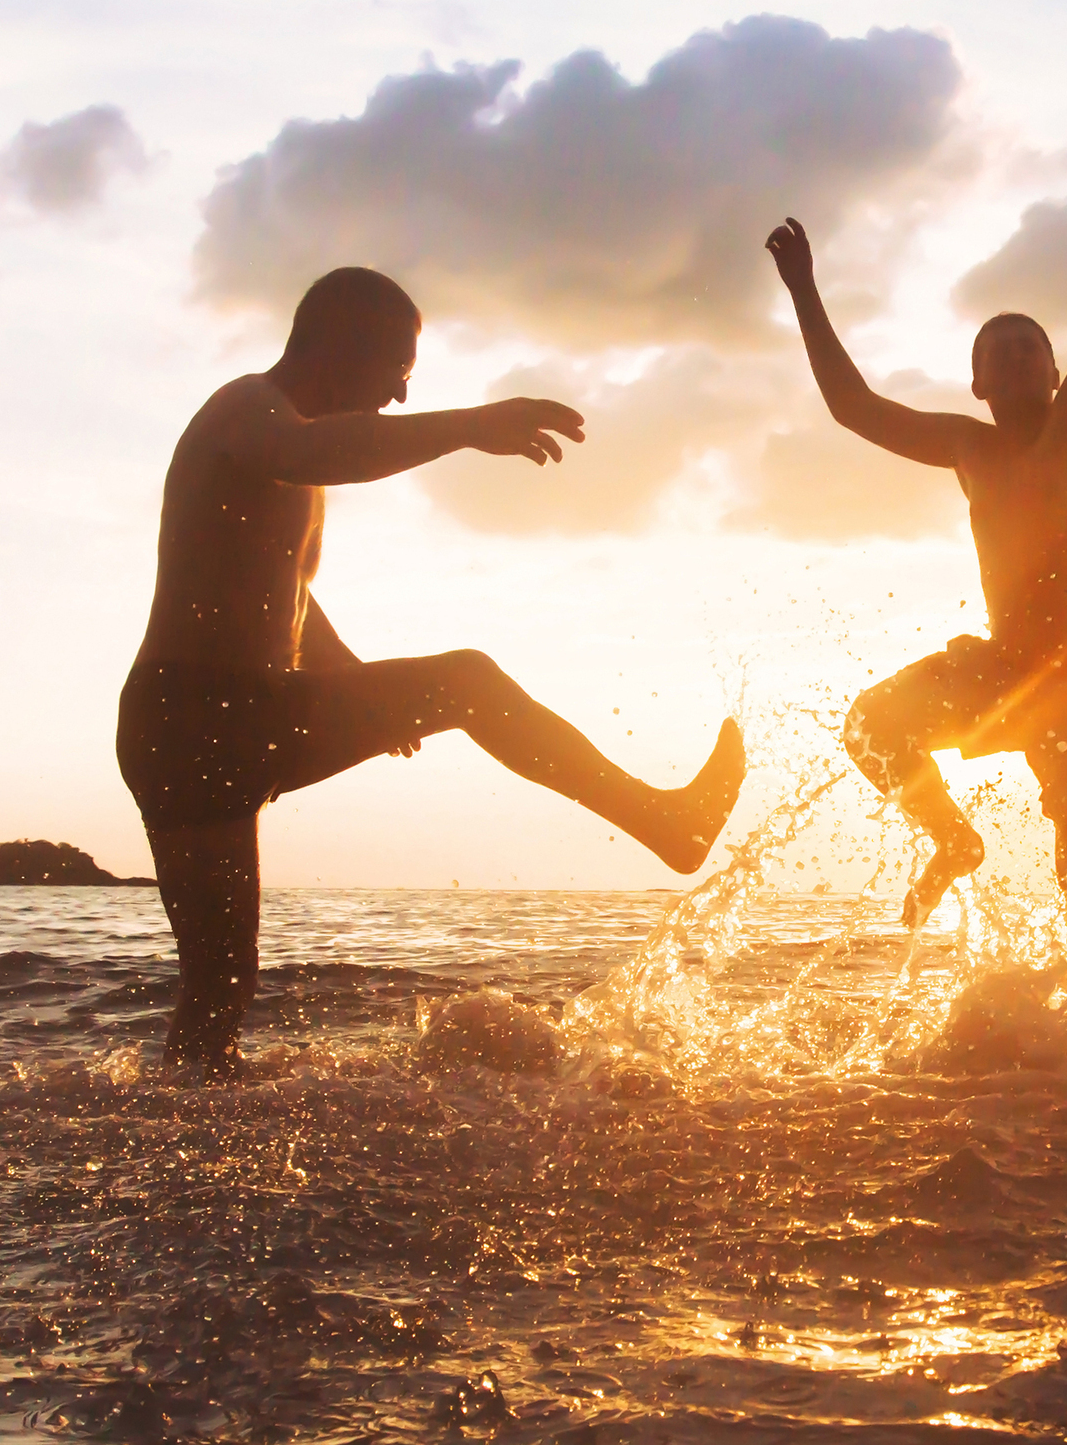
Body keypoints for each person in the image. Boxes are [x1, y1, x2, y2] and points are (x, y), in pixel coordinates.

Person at [118, 266, 746, 1080]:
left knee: (218, 994)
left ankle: (179, 1132)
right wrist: (472, 424)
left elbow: (286, 595)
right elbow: (314, 453)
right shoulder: (251, 410)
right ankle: (666, 825)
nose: (403, 396)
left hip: (212, 720)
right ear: (342, 344)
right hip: (200, 713)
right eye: (399, 370)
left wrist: (353, 682)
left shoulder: (282, 438)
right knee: (467, 682)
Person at [765, 66, 1067, 1043]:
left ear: (1058, 372)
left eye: (1032, 347)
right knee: (870, 725)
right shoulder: (970, 447)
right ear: (977, 384)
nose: (1020, 357)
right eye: (999, 351)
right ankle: (953, 835)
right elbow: (855, 409)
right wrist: (807, 291)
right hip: (1007, 667)